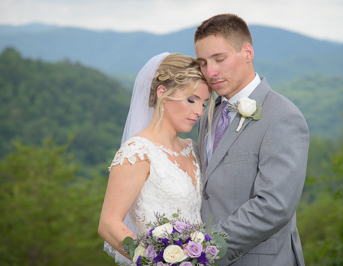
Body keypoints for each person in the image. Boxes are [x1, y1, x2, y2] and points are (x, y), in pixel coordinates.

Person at [194, 14, 309, 265]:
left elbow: (274, 206)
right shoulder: (207, 116)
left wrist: (204, 251)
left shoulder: (283, 116)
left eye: (219, 59)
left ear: (247, 52)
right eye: (202, 63)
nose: (210, 72)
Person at [98, 52, 214, 265]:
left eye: (203, 104)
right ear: (162, 92)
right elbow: (108, 224)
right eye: (191, 100)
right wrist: (155, 261)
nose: (199, 111)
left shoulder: (193, 149)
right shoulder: (137, 153)